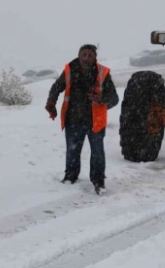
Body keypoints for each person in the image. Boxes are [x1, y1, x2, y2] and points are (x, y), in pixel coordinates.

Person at [45, 44, 119, 194]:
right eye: (83, 54)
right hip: (73, 120)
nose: (86, 58)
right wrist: (51, 102)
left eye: (89, 55)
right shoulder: (69, 70)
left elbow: (114, 99)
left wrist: (101, 98)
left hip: (95, 122)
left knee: (97, 152)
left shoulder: (102, 73)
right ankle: (70, 177)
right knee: (72, 150)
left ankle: (98, 182)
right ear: (79, 55)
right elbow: (56, 87)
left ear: (94, 58)